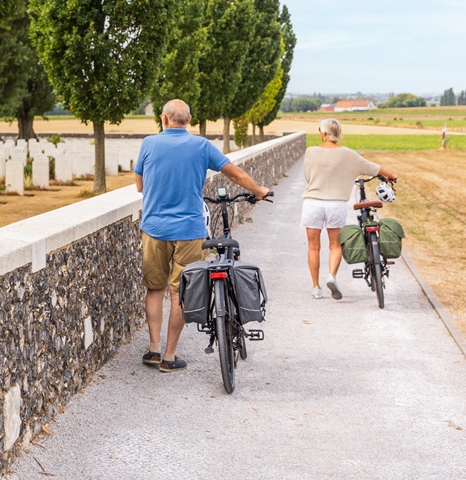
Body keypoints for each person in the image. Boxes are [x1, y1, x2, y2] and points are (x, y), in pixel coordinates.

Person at [135, 99, 271, 373]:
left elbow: (139, 186)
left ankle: (153, 349)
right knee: (179, 292)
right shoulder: (201, 146)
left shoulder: (149, 144)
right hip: (189, 230)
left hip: (154, 228)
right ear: (189, 120)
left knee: (155, 288)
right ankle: (170, 356)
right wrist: (259, 190)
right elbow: (235, 173)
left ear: (163, 119)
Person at [302, 118, 398, 300]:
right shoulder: (348, 154)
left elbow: (307, 176)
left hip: (313, 202)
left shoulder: (311, 152)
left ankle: (316, 287)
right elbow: (373, 168)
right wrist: (391, 175)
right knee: (335, 245)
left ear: (323, 133)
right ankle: (332, 276)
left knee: (313, 247)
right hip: (335, 203)